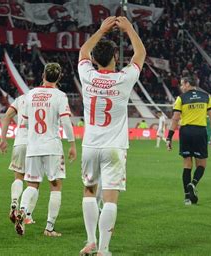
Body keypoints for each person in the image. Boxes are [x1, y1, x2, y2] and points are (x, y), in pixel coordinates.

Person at [78, 16, 146, 256]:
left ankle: (90, 241)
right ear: (116, 58)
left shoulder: (87, 76)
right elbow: (140, 53)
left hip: (90, 145)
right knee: (110, 199)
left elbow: (83, 51)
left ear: (95, 60)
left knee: (89, 192)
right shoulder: (123, 79)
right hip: (115, 147)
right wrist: (128, 28)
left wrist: (100, 29)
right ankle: (104, 250)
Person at [16, 63, 77, 237]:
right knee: (55, 186)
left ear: (43, 75)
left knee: (32, 184)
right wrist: (72, 144)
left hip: (33, 146)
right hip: (52, 146)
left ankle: (22, 210)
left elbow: (25, 121)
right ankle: (49, 228)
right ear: (59, 77)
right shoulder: (60, 96)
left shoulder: (30, 94)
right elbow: (65, 122)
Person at [166, 76, 211, 206]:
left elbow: (175, 119)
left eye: (182, 84)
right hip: (200, 132)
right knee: (201, 164)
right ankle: (192, 184)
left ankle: (187, 198)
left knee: (187, 164)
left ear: (188, 84)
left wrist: (169, 137)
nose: (181, 87)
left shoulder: (181, 98)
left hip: (186, 132)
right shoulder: (206, 97)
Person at [0, 94, 38, 226]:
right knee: (33, 183)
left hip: (19, 143)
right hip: (36, 145)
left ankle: (14, 201)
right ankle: (27, 215)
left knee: (18, 177)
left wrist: (3, 139)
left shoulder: (21, 99)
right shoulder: (45, 98)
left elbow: (6, 117)